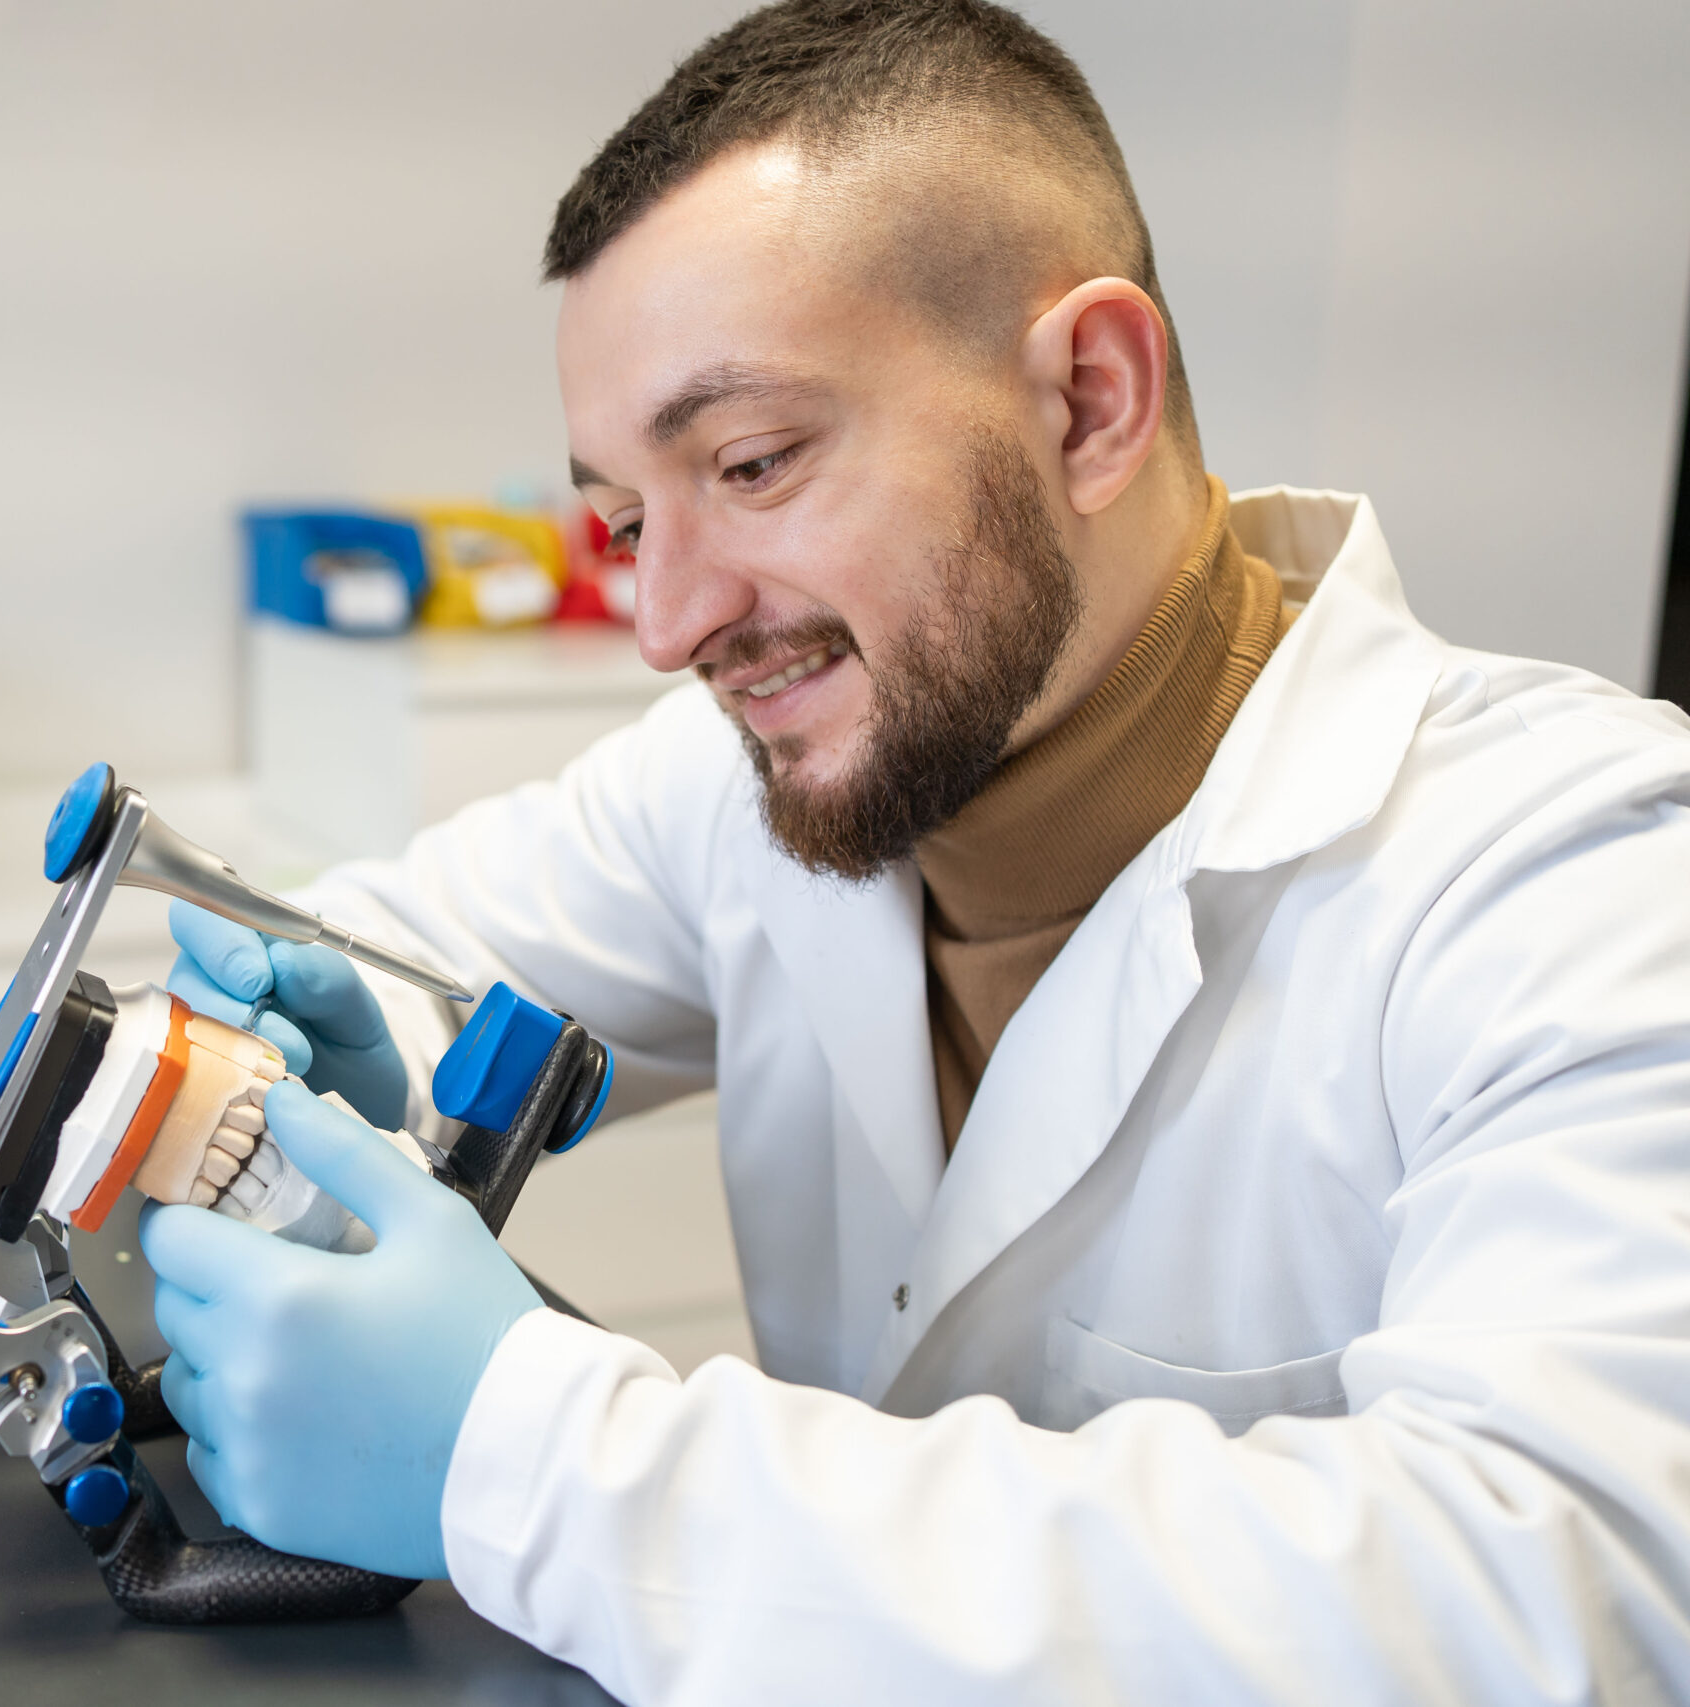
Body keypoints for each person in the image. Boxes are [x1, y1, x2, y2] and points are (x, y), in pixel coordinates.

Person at [137, 2, 1690, 1699]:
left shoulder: (1580, 880)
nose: (666, 621)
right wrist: (303, 1068)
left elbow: (1569, 1594)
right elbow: (378, 949)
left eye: (750, 462)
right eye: (629, 520)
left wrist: (540, 1462)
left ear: (1090, 400)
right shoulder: (768, 778)